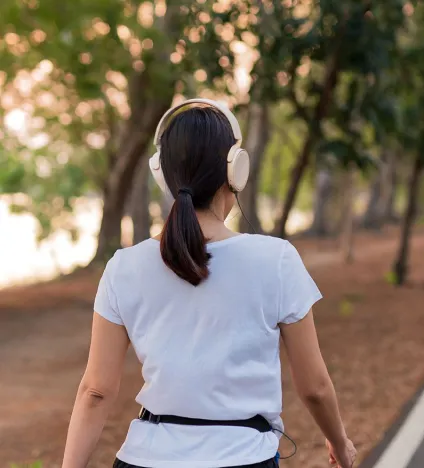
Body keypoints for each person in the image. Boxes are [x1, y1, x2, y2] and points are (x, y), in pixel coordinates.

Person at [62, 99, 357, 468]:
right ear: (236, 171)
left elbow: (95, 391)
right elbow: (314, 388)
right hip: (243, 459)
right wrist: (339, 443)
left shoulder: (124, 267)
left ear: (162, 173)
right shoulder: (277, 260)